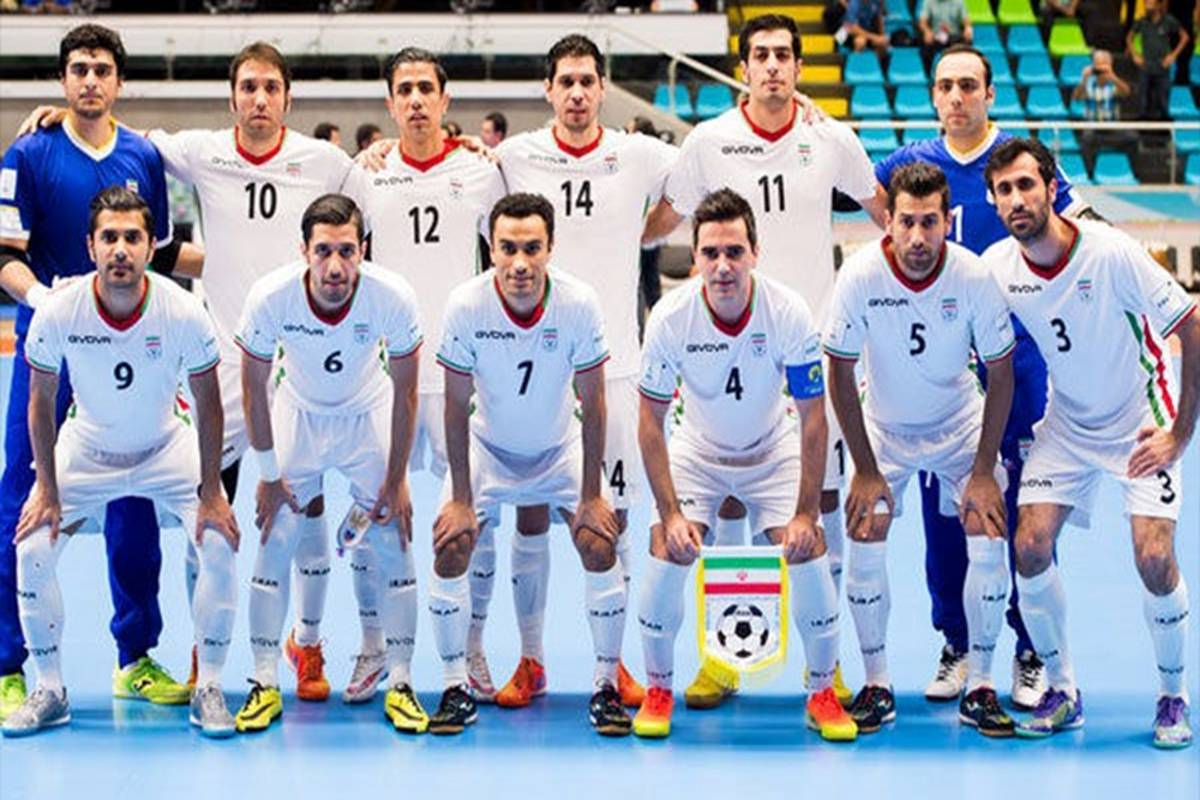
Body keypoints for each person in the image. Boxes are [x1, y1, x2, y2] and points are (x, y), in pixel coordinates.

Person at [642, 11, 887, 710]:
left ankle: (825, 669)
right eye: (761, 55)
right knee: (720, 499)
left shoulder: (830, 137)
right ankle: (722, 660)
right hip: (727, 339)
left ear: (799, 68)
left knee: (820, 506)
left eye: (784, 54)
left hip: (812, 342)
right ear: (743, 67)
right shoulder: (709, 140)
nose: (773, 65)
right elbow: (659, 223)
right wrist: (604, 223)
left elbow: (887, 214)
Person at [873, 44, 1092, 710]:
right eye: (945, 86)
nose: (957, 97)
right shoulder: (908, 165)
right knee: (947, 517)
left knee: (1022, 509)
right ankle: (959, 640)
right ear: (932, 96)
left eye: (969, 85)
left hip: (1015, 364)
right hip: (940, 372)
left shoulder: (1015, 163)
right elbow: (855, 186)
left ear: (990, 93)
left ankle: (1029, 647)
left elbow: (1082, 229)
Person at [0, 23, 196, 721]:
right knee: (24, 496)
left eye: (102, 69)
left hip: (130, 350)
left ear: (119, 82)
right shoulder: (28, 152)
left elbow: (160, 256)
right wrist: (44, 299)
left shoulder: (142, 155)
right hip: (50, 348)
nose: (90, 80)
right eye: (79, 69)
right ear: (63, 79)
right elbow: (4, 254)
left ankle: (134, 656)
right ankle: (10, 665)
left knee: (136, 491)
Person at [982, 137, 1198, 749]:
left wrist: (1181, 432)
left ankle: (1173, 694)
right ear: (994, 202)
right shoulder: (997, 267)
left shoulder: (1110, 252)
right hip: (1068, 425)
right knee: (1028, 547)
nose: (1017, 199)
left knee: (1153, 558)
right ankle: (1063, 690)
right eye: (1004, 190)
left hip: (1142, 417)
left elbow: (1190, 323)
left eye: (1027, 185)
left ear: (1053, 189)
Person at [1, 186, 239, 739]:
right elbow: (40, 401)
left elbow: (209, 404)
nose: (120, 250)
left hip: (165, 449)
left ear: (152, 246)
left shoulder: (183, 310)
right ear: (90, 246)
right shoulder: (60, 310)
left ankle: (208, 687)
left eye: (133, 238)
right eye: (109, 238)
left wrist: (210, 492)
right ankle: (51, 689)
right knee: (31, 547)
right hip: (86, 450)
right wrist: (48, 490)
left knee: (219, 542)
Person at [633, 188, 854, 742]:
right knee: (666, 550)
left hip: (771, 451)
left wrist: (805, 514)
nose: (723, 266)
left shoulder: (787, 311)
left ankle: (822, 691)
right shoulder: (671, 316)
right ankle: (659, 688)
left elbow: (813, 418)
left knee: (809, 551)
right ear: (694, 257)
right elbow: (650, 423)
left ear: (755, 252)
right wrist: (671, 514)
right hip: (698, 453)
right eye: (710, 253)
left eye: (734, 251)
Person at [826, 163, 1016, 737]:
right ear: (888, 220)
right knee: (865, 527)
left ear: (946, 221)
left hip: (959, 424)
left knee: (987, 526)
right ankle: (877, 683)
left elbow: (1001, 374)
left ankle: (981, 684)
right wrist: (864, 469)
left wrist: (982, 471)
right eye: (906, 222)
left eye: (929, 222)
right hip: (884, 430)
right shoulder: (860, 275)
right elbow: (839, 371)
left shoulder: (972, 276)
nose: (916, 237)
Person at [341, 46, 505, 703]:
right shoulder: (366, 176)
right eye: (403, 90)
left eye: (424, 90)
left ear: (444, 100)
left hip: (463, 372)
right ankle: (373, 643)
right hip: (387, 375)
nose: (414, 100)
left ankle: (473, 645)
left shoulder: (482, 172)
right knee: (373, 509)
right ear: (389, 103)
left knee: (475, 514)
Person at [428, 192, 625, 736]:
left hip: (559, 449)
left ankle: (606, 686)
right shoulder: (466, 304)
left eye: (532, 248)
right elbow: (454, 404)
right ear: (490, 249)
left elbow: (594, 402)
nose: (520, 263)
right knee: (451, 544)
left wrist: (591, 496)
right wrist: (462, 499)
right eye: (508, 248)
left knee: (599, 541)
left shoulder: (578, 303)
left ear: (551, 248)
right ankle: (454, 687)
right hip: (488, 450)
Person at [232, 194, 424, 734]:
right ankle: (265, 679)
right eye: (323, 251)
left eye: (346, 251)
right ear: (304, 251)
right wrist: (269, 474)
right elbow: (252, 389)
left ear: (363, 250)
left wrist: (397, 478)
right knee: (275, 539)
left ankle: (401, 680)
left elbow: (407, 393)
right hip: (299, 415)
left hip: (367, 416)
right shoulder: (271, 297)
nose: (335, 266)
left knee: (394, 539)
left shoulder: (392, 296)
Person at [1128, 0, 1191, 121]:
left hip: (1162, 66)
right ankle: (1142, 125)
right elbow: (1129, 38)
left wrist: (1173, 55)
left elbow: (1185, 37)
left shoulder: (1168, 21)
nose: (1147, 5)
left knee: (1163, 102)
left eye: (1150, 3)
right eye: (1146, 3)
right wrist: (1135, 55)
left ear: (1158, 5)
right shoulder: (1141, 21)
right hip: (1146, 65)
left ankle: (1164, 125)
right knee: (1142, 103)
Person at [917, 0, 973, 65]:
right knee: (925, 48)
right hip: (936, 36)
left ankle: (963, 68)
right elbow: (922, 21)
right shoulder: (928, 2)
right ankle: (928, 70)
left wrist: (967, 28)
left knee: (967, 42)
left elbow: (966, 20)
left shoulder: (959, 2)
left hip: (954, 36)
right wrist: (927, 31)